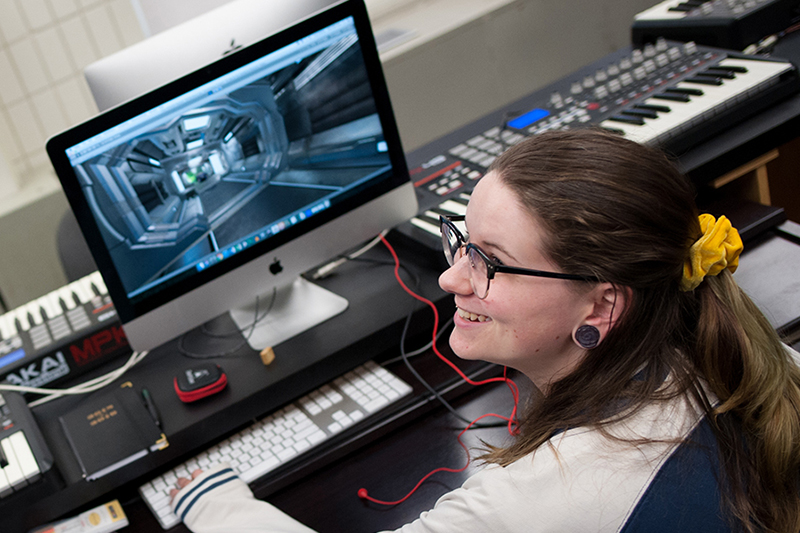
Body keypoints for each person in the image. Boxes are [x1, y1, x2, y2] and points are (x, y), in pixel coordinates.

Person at [169, 128, 800, 532]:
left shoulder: (544, 499)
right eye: (461, 244)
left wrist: (214, 503)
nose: (452, 279)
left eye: (490, 262)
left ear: (601, 308)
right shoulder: (740, 352)